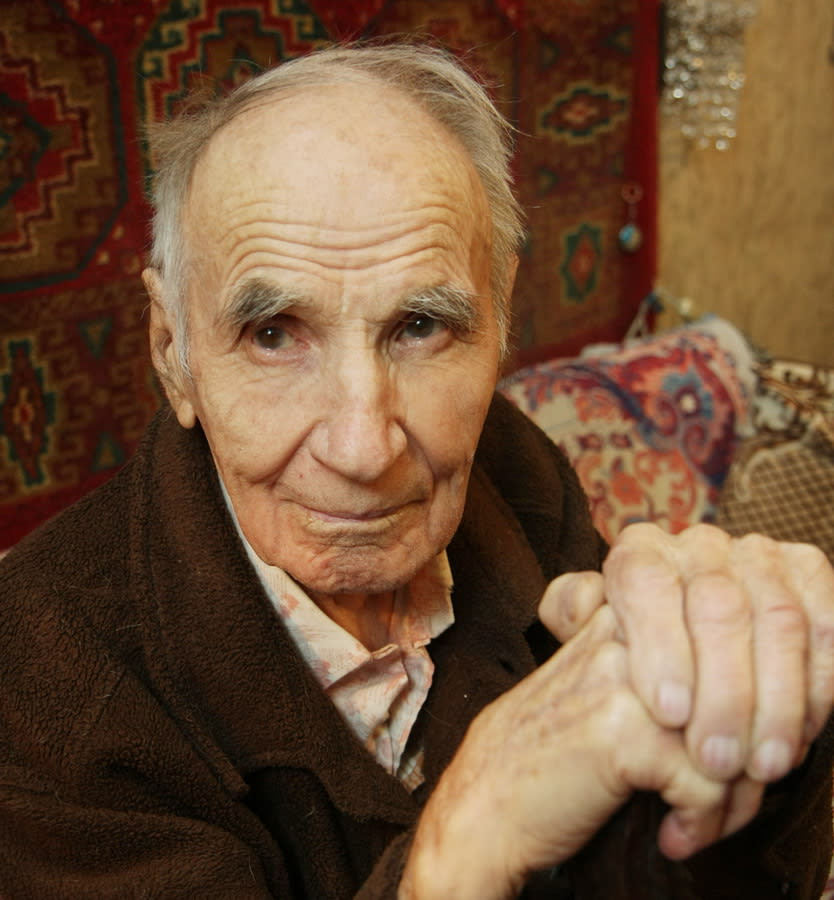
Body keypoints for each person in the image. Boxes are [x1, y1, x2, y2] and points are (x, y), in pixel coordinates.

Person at [1, 41, 833, 899]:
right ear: (172, 352)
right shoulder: (38, 677)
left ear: (500, 316)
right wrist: (466, 836)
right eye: (273, 334)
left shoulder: (510, 470)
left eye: (421, 327)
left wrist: (751, 719)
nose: (365, 450)